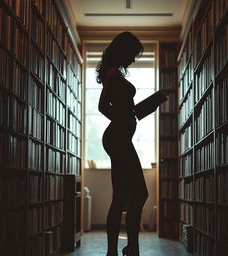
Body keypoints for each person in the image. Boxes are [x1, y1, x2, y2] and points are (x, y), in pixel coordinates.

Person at [96, 32, 148, 256]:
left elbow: (119, 106)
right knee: (140, 193)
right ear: (124, 51)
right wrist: (122, 119)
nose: (134, 60)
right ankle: (129, 248)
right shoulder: (113, 72)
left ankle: (119, 250)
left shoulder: (114, 72)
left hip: (119, 137)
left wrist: (132, 113)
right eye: (133, 55)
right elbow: (102, 106)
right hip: (117, 138)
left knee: (121, 196)